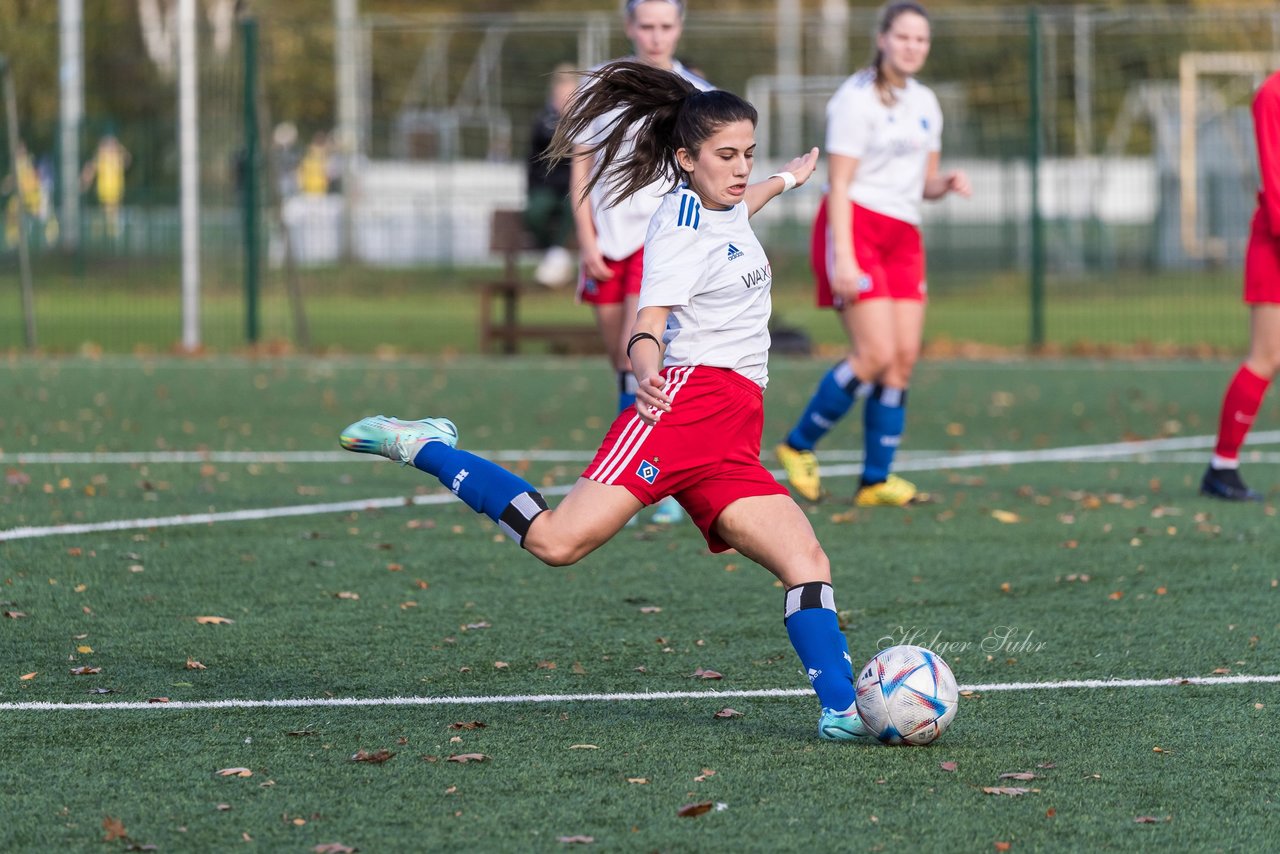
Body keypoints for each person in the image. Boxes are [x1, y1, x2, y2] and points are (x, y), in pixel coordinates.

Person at [340, 61, 874, 743]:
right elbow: (648, 322)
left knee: (808, 562)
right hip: (679, 410)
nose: (742, 169)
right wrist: (647, 369)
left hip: (731, 435)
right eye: (726, 156)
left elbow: (744, 207)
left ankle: (839, 711)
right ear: (685, 159)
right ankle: (425, 446)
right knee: (558, 543)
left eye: (749, 153)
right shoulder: (679, 227)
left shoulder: (726, 199)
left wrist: (787, 179)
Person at [774, 1, 970, 506]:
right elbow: (838, 185)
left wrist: (943, 184)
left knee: (901, 362)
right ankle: (798, 445)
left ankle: (875, 481)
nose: (912, 47)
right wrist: (844, 258)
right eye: (903, 37)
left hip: (904, 234)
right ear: (882, 39)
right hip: (855, 227)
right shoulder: (854, 100)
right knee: (874, 354)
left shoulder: (926, 102)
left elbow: (922, 183)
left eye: (920, 40)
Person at [571, 0, 711, 525]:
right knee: (619, 363)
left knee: (641, 359)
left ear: (679, 27)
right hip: (608, 241)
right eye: (645, 26)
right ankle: (629, 474)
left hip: (660, 242)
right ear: (630, 27)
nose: (655, 36)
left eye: (665, 26)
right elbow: (581, 166)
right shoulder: (603, 85)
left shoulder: (693, 92)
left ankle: (649, 482)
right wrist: (586, 239)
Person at [1202, 69, 1280, 501]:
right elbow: (1276, 186)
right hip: (1275, 245)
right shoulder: (1272, 94)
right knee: (1266, 357)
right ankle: (1222, 468)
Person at [526, 63, 580, 288]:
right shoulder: (543, 121)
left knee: (574, 208)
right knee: (535, 213)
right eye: (561, 93)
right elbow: (532, 158)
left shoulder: (585, 121)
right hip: (546, 187)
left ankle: (556, 260)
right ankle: (556, 258)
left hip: (573, 188)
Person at [80, 133, 130, 240]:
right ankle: (105, 238)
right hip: (104, 193)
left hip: (116, 192)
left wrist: (119, 148)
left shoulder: (118, 156)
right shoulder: (101, 157)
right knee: (105, 215)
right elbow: (90, 170)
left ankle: (113, 238)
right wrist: (83, 182)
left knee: (113, 216)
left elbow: (128, 160)